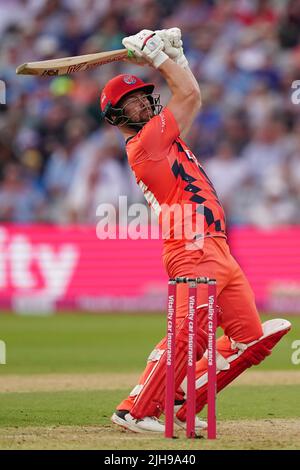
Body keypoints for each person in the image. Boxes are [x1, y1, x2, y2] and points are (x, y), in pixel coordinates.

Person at [100, 29, 291, 434]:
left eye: (143, 97)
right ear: (116, 117)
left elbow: (186, 93)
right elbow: (189, 96)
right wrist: (159, 57)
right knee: (189, 334)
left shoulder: (165, 136)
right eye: (130, 103)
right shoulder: (146, 143)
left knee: (249, 341)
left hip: (217, 248)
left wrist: (175, 56)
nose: (142, 104)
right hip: (190, 245)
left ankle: (181, 405)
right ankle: (136, 410)